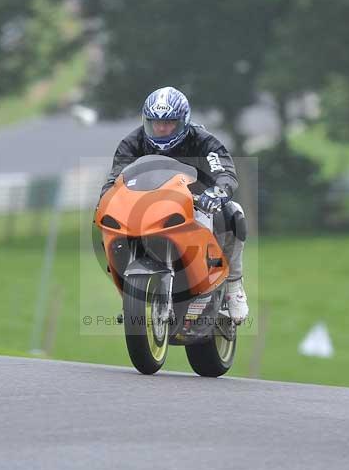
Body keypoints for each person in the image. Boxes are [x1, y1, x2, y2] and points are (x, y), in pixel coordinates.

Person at [99, 86, 249, 324]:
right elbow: (115, 178)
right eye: (154, 123)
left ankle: (233, 286)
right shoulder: (132, 143)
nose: (160, 129)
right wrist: (106, 201)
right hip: (149, 206)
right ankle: (128, 294)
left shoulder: (202, 140)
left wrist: (218, 192)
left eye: (169, 123)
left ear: (184, 121)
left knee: (235, 212)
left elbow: (225, 171)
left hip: (197, 202)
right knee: (109, 225)